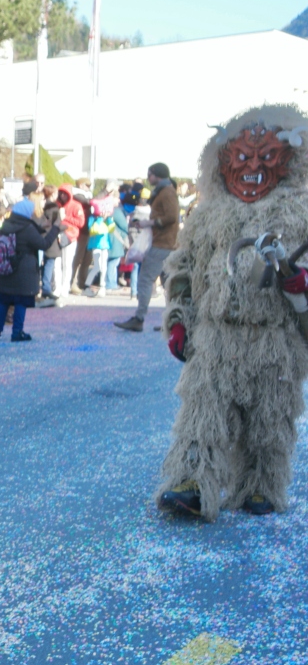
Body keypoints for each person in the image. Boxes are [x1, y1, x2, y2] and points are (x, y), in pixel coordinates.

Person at [154, 106, 308, 519]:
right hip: (216, 336)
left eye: (267, 157)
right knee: (202, 413)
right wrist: (179, 319)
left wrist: (301, 282)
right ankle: (191, 482)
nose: (253, 167)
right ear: (222, 162)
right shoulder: (209, 215)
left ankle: (260, 484)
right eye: (242, 157)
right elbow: (185, 268)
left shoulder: (300, 213)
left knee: (270, 420)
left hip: (276, 338)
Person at [115, 163, 180, 332]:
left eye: (149, 174)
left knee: (145, 280)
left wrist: (149, 223)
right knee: (169, 284)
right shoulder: (165, 191)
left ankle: (139, 319)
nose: (148, 178)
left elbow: (172, 217)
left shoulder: (166, 192)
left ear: (156, 174)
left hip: (162, 244)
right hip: (167, 244)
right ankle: (173, 322)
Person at [0, 199, 63, 342]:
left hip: (7, 267)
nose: (32, 215)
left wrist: (41, 227)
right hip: (23, 270)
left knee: (4, 301)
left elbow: (28, 236)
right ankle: (17, 332)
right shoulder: (27, 228)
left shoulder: (8, 224)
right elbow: (43, 244)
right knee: (20, 301)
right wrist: (55, 228)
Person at [82, 208, 116, 296]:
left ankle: (102, 287)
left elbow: (111, 229)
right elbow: (93, 230)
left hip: (105, 245)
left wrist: (109, 219)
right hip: (96, 245)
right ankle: (86, 287)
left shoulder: (108, 219)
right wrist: (100, 219)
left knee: (104, 268)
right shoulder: (92, 218)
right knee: (97, 267)